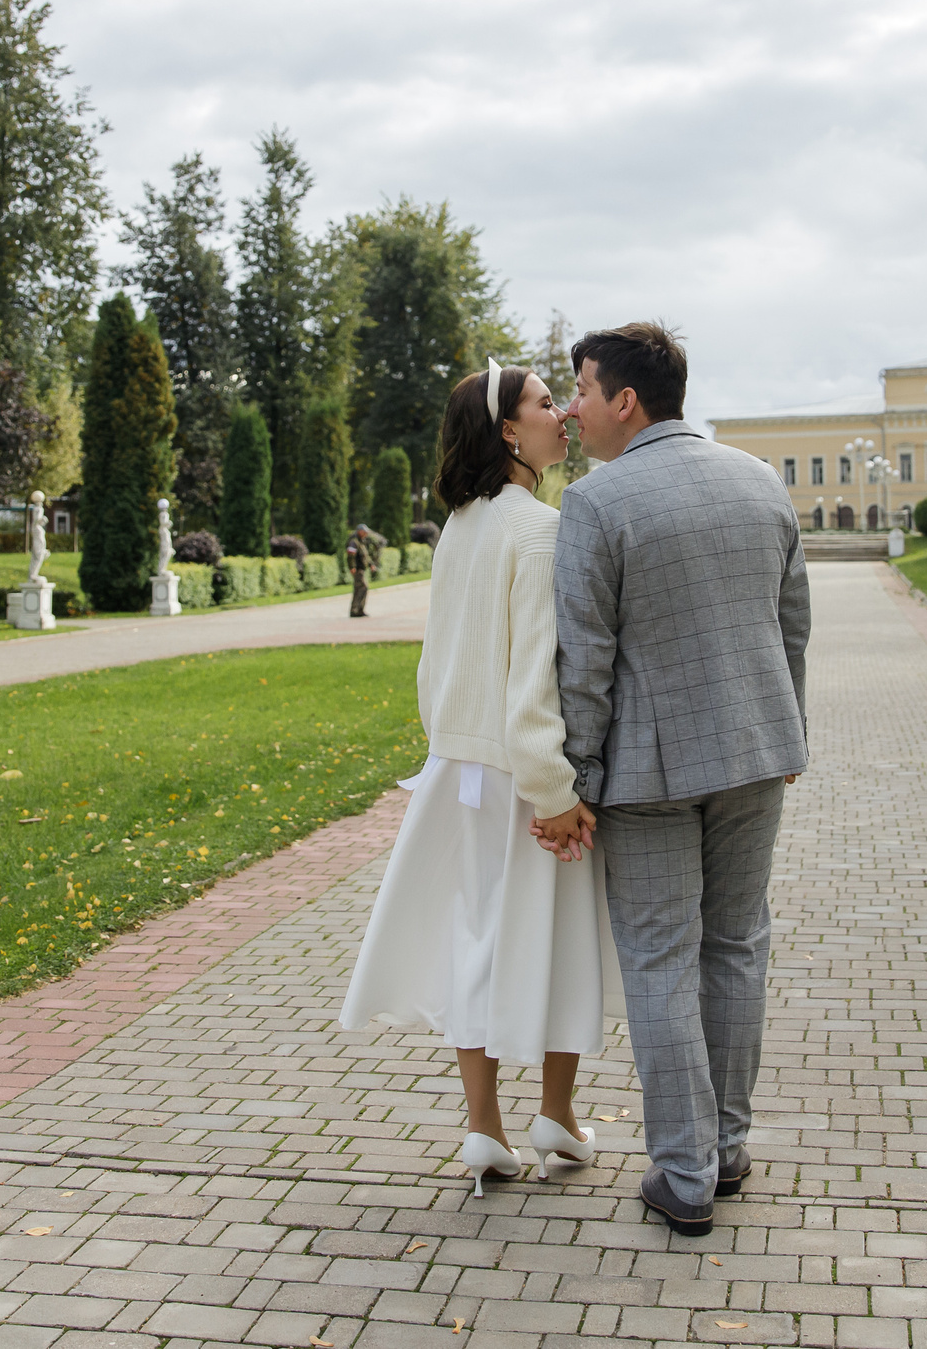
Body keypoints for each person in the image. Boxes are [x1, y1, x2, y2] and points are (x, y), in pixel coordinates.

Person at [551, 322, 809, 1236]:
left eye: (582, 390)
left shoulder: (595, 502)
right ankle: (726, 1149)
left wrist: (578, 778)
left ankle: (685, 1172)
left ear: (625, 400)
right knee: (737, 943)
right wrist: (790, 729)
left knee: (661, 957)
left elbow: (584, 659)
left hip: (647, 771)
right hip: (756, 755)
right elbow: (792, 625)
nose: (572, 409)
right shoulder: (760, 481)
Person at [338, 358, 619, 1196]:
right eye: (544, 403)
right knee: (562, 935)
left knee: (476, 939)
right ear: (507, 430)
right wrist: (555, 792)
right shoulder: (539, 529)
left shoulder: (460, 526)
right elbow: (535, 676)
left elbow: (437, 665)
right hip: (520, 768)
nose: (561, 414)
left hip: (457, 766)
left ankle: (483, 1124)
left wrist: (450, 745)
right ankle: (556, 1112)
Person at [345, 525, 374, 618]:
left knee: (361, 588)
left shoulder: (361, 542)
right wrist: (352, 567)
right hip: (357, 570)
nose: (366, 534)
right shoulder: (354, 542)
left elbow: (365, 556)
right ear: (359, 531)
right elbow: (351, 555)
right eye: (364, 532)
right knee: (361, 587)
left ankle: (359, 609)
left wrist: (371, 564)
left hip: (361, 569)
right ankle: (355, 610)